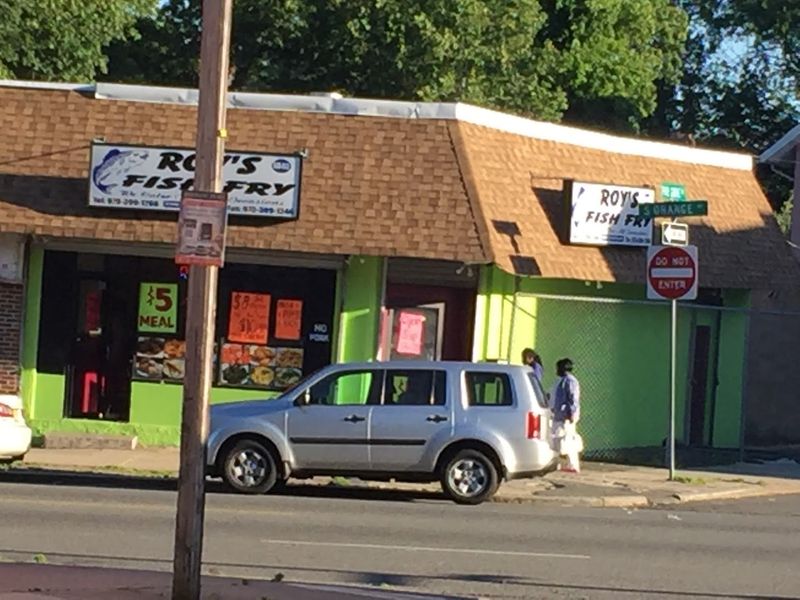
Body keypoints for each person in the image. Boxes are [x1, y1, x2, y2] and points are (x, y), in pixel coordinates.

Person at [551, 358, 582, 473]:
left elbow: (573, 399)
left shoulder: (570, 381)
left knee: (566, 439)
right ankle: (568, 464)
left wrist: (571, 414)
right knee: (561, 439)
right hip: (560, 414)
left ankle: (572, 465)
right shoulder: (562, 380)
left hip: (566, 416)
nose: (556, 370)